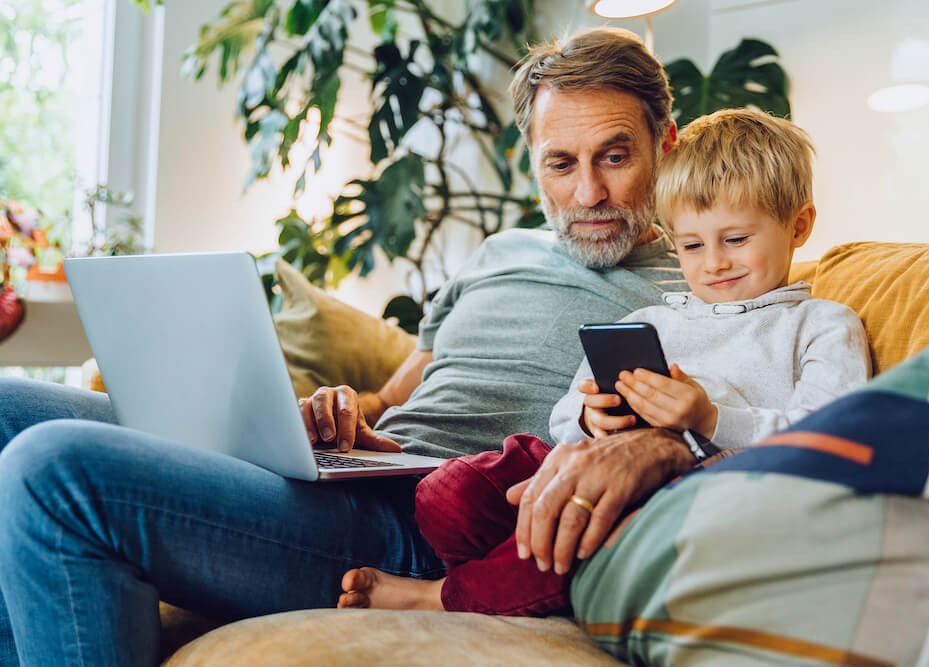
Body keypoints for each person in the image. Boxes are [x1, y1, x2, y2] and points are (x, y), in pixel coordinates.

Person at [0, 27, 698, 666]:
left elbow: (766, 426)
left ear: (665, 144)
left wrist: (666, 444)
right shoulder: (500, 251)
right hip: (356, 471)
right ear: (533, 162)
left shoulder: (712, 287)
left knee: (52, 466)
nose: (589, 191)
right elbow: (395, 399)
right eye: (561, 163)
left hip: (435, 528)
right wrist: (337, 412)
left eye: (614, 156)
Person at [335, 108, 871, 616]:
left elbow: (826, 441)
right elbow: (565, 416)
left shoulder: (822, 324)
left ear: (799, 227)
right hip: (581, 461)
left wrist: (711, 421)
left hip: (684, 495)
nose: (714, 264)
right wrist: (592, 417)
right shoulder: (653, 320)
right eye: (690, 246)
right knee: (448, 494)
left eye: (735, 239)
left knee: (593, 535)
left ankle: (446, 598)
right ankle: (507, 580)